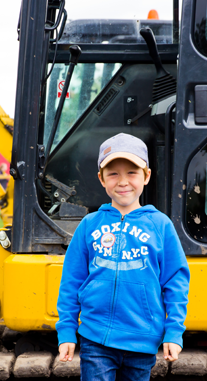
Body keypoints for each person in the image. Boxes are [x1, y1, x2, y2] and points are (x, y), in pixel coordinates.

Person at [56, 133, 190, 381]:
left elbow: (176, 282)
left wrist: (173, 332)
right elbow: (71, 282)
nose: (123, 181)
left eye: (132, 172)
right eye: (113, 173)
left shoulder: (160, 226)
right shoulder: (89, 225)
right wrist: (66, 331)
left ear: (146, 176)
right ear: (101, 178)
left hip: (141, 340)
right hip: (96, 338)